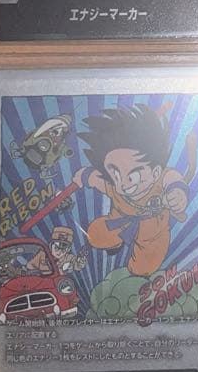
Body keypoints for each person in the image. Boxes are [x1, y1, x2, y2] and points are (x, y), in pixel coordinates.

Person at [70, 104, 188, 277]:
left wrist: (177, 193)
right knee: (95, 236)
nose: (123, 184)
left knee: (142, 268)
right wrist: (85, 175)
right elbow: (97, 178)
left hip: (152, 231)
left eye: (132, 176)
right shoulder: (113, 186)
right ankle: (116, 243)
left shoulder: (159, 179)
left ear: (155, 172)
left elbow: (172, 177)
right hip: (117, 221)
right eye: (116, 175)